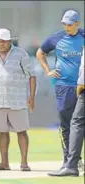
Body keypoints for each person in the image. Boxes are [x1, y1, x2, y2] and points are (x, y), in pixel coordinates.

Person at [36, 10, 84, 173]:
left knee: (78, 124)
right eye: (64, 24)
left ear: (77, 23)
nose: (67, 27)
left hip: (82, 86)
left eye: (70, 24)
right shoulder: (56, 37)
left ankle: (75, 161)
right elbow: (40, 53)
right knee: (66, 124)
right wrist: (48, 70)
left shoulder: (84, 36)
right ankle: (69, 162)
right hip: (64, 86)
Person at [0, 28, 36, 171]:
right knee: (2, 132)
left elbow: (31, 75)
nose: (1, 44)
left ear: (9, 41)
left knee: (21, 131)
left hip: (18, 100)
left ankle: (24, 163)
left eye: (4, 41)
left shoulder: (21, 54)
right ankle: (4, 163)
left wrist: (31, 97)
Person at [49, 47, 84, 177]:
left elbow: (84, 68)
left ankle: (71, 165)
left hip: (80, 88)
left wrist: (80, 85)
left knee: (76, 123)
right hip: (69, 86)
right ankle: (71, 164)